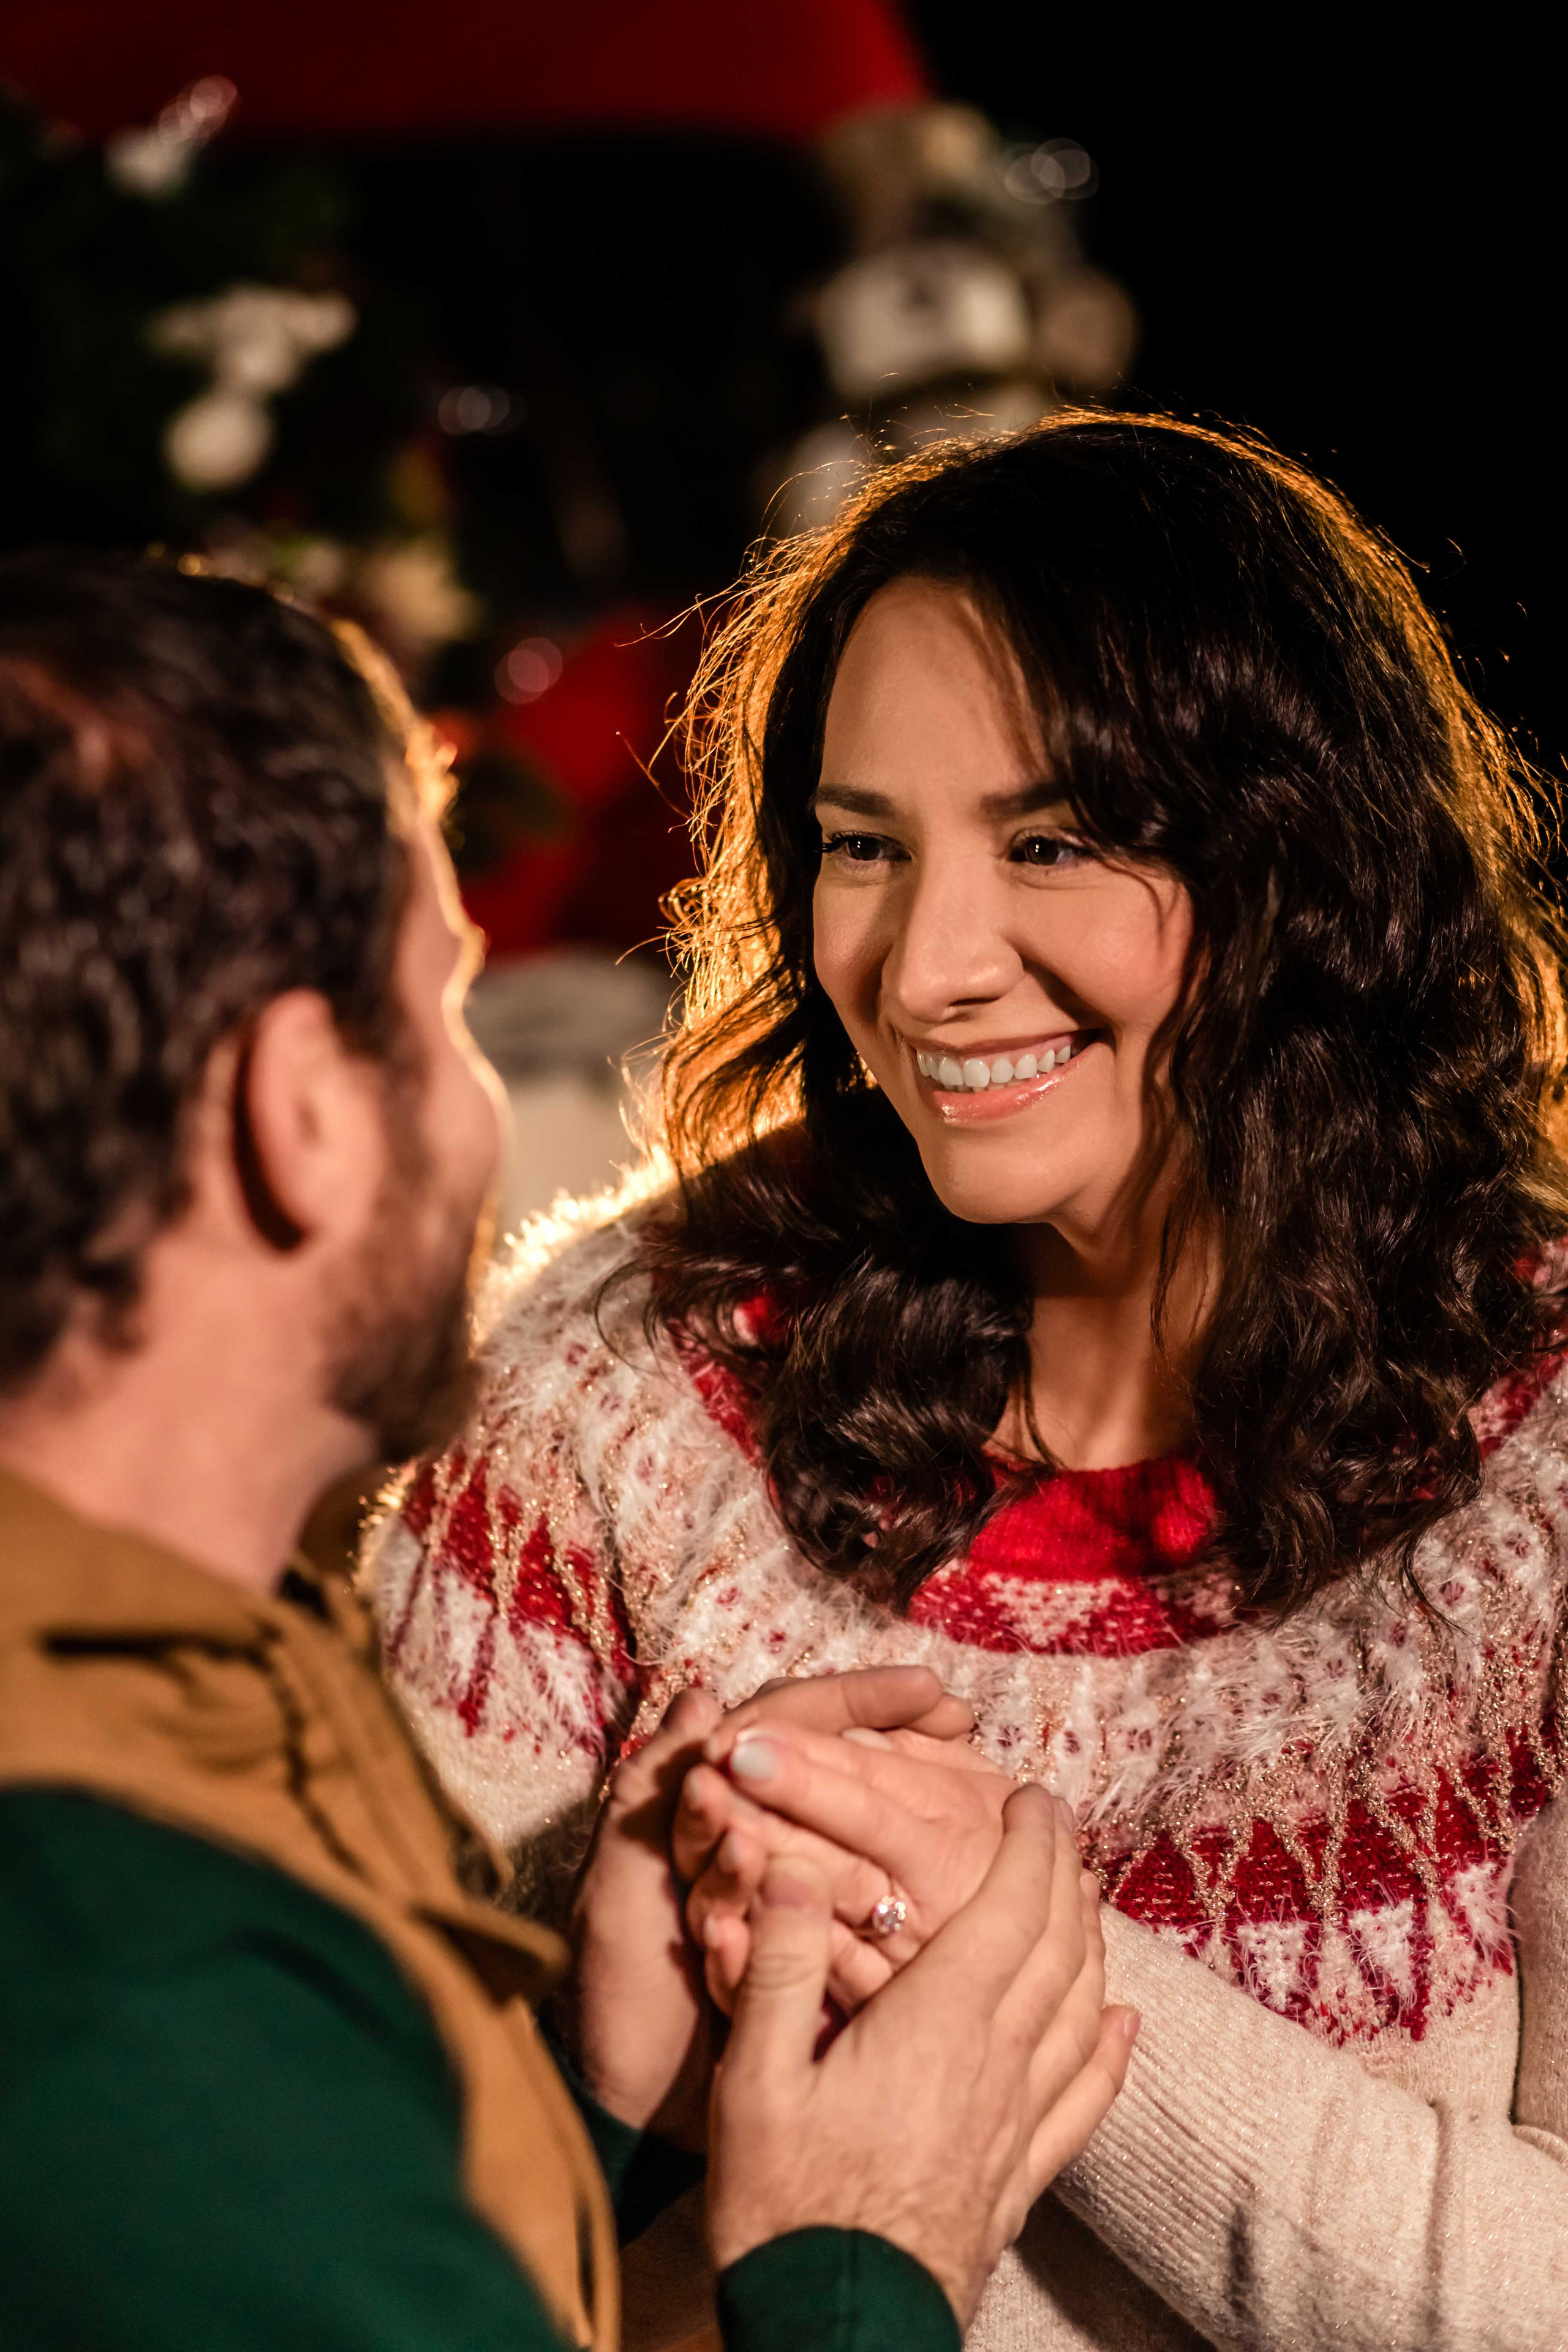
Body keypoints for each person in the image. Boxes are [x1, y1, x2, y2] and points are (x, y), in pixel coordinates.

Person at [374, 412, 1568, 2348]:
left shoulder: (1551, 1468)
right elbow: (337, 2216)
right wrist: (621, 2060)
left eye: (1053, 841)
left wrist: (1001, 1934)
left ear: (1306, 870)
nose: (924, 967)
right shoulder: (609, 1397)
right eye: (863, 845)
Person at [0, 550, 1135, 2351]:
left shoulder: (226, 1673)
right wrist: (853, 2261)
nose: (482, 1108)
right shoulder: (131, 1987)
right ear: (299, 1117)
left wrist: (592, 2113)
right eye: (443, 1002)